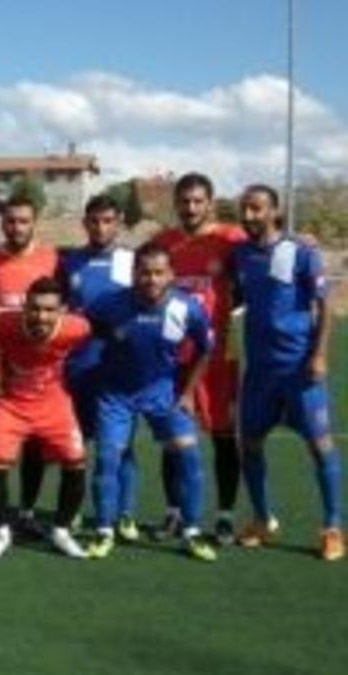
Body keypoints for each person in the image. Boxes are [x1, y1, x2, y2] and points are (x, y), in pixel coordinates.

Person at [85, 244, 216, 562]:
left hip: (163, 394)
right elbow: (87, 331)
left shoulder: (187, 308)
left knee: (189, 453)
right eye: (145, 272)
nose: (152, 279)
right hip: (116, 394)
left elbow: (205, 349)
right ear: (134, 274)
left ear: (171, 274)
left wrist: (188, 393)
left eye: (159, 273)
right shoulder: (109, 304)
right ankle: (104, 530)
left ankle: (191, 532)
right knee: (107, 457)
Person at [232, 184, 342, 561]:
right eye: (245, 208)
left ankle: (332, 527)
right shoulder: (241, 254)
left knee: (320, 446)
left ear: (274, 211)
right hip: (259, 373)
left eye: (257, 209)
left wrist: (319, 355)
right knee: (250, 444)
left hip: (299, 370)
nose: (249, 216)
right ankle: (263, 519)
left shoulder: (301, 251)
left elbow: (325, 305)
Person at [149, 173, 246, 544]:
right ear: (175, 203)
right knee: (173, 438)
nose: (190, 208)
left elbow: (261, 256)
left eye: (197, 201)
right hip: (173, 359)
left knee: (223, 435)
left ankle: (224, 516)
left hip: (219, 357)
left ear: (210, 203)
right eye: (184, 201)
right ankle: (174, 512)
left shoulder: (230, 239)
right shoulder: (163, 243)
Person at [0, 277, 90, 560]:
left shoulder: (77, 328)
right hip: (10, 405)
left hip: (53, 404)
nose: (41, 316)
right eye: (35, 308)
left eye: (50, 310)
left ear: (62, 310)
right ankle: (0, 531)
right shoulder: (4, 324)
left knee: (76, 458)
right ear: (25, 308)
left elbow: (93, 339)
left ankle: (61, 531)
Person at [0, 196, 60, 536]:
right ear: (2, 223)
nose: (17, 227)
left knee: (34, 442)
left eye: (24, 221)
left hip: (38, 367)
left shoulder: (51, 258)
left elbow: (63, 307)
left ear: (34, 223)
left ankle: (27, 510)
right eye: (10, 221)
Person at [58, 195, 137, 540]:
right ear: (85, 223)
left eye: (108, 221)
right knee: (76, 443)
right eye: (94, 221)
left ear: (119, 222)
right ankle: (73, 508)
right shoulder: (70, 262)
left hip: (120, 365)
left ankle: (125, 513)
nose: (101, 227)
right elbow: (60, 308)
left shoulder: (132, 261)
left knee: (121, 445)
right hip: (78, 364)